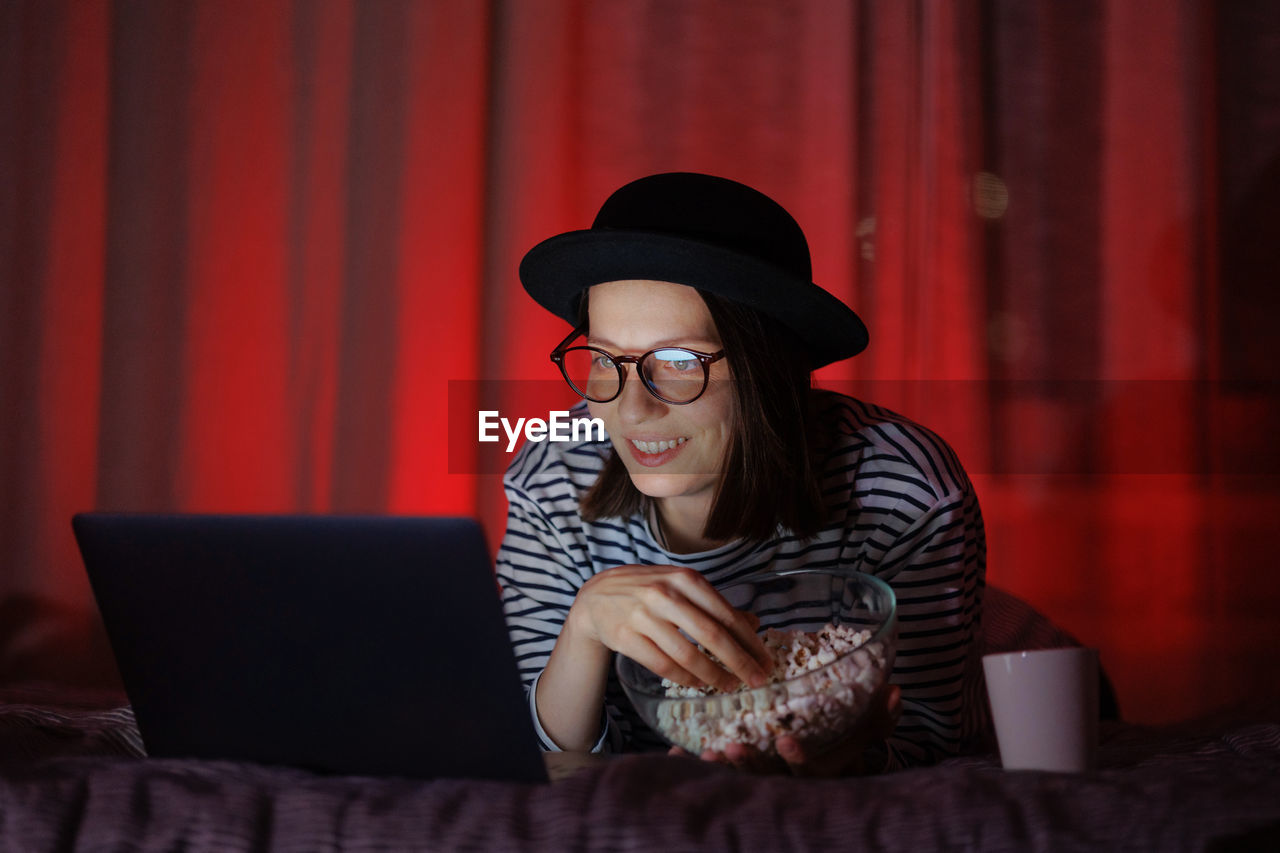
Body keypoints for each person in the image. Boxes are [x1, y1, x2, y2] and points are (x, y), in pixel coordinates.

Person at [495, 172, 986, 775]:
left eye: (677, 362)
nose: (629, 407)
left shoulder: (906, 489)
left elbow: (931, 743)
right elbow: (524, 756)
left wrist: (833, 761)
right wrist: (584, 630)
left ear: (766, 369)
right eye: (603, 359)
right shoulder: (552, 472)